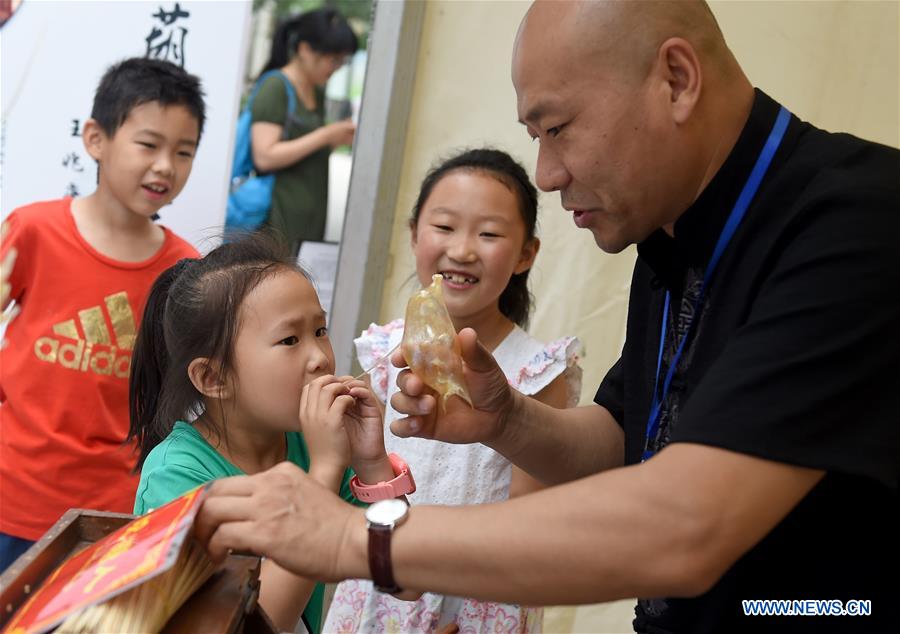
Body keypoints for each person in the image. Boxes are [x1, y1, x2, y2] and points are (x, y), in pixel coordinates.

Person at [194, 2, 900, 633]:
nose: (548, 172)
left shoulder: (859, 223)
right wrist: (506, 420)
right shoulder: (670, 237)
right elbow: (623, 439)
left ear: (677, 79)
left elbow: (686, 524)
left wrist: (355, 538)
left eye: (557, 128)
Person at [324, 148, 583, 633]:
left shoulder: (537, 372)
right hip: (378, 593)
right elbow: (361, 479)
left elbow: (529, 525)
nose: (462, 250)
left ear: (526, 254)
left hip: (480, 604)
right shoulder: (383, 354)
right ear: (414, 234)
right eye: (444, 226)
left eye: (489, 234)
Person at [129, 234, 396, 634]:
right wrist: (324, 472)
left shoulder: (315, 445)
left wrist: (372, 462)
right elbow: (257, 624)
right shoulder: (176, 474)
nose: (320, 358)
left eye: (320, 330)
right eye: (289, 340)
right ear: (213, 377)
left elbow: (402, 578)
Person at [0, 57, 204, 573]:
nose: (166, 166)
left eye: (184, 152)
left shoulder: (186, 273)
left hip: (112, 514)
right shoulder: (32, 231)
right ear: (96, 139)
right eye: (148, 144)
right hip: (11, 497)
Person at [250, 8, 358, 255]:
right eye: (334, 60)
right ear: (305, 49)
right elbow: (265, 156)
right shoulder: (275, 86)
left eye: (342, 61)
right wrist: (326, 135)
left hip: (307, 224)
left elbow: (304, 151)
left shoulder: (316, 91)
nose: (337, 68)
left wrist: (336, 138)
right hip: (275, 223)